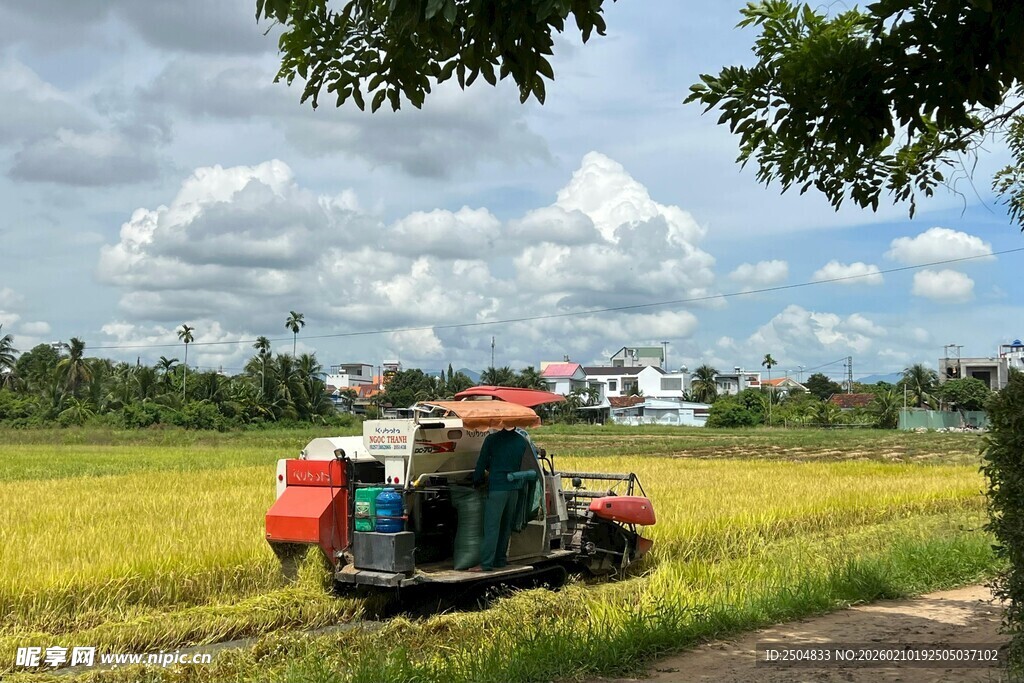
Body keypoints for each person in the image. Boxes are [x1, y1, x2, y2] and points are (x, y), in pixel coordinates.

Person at [469, 427, 528, 571]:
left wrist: (476, 481)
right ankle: (500, 560)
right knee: (506, 526)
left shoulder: (492, 439)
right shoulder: (521, 441)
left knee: (491, 527)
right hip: (514, 487)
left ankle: (486, 564)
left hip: (497, 487)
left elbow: (481, 463)